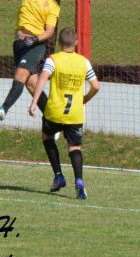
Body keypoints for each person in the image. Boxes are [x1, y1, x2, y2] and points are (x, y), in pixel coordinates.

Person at [28, 27, 99, 200]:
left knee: (47, 137)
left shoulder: (53, 59)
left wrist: (34, 102)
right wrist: (85, 98)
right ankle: (80, 182)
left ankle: (59, 175)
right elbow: (96, 86)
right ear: (76, 43)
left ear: (59, 43)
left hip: (54, 112)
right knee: (74, 147)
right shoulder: (84, 62)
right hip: (75, 114)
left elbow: (43, 79)